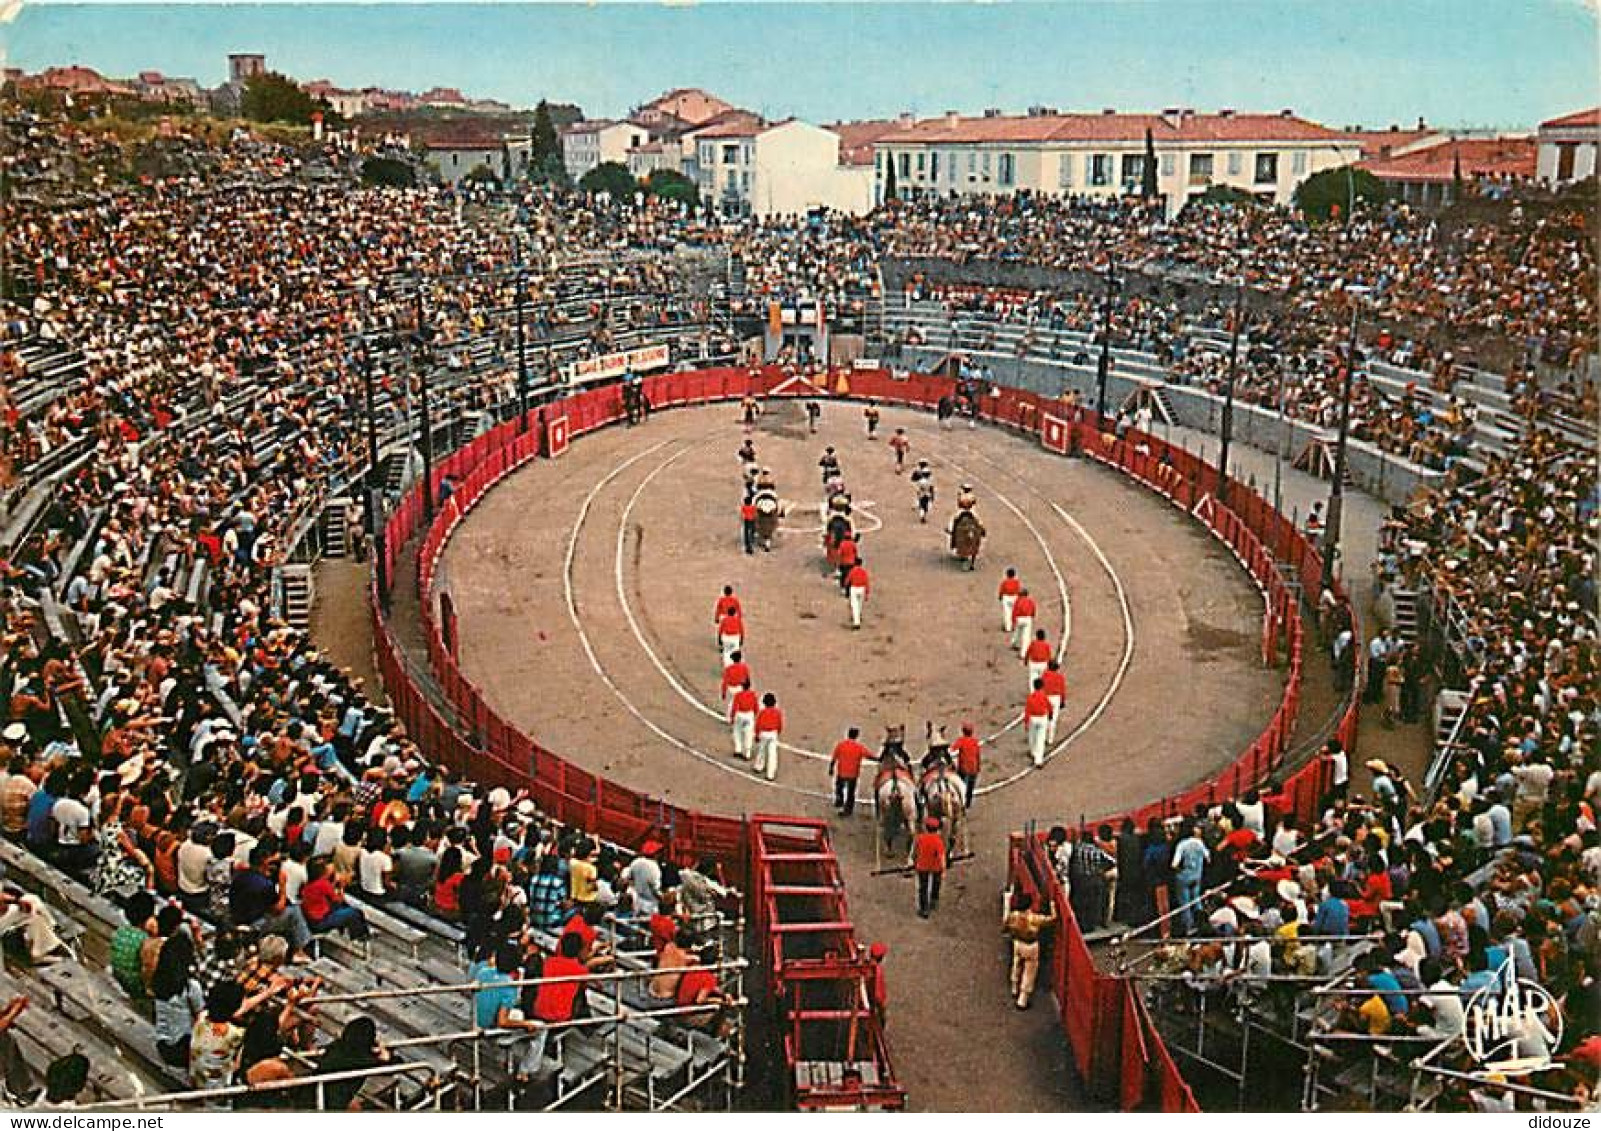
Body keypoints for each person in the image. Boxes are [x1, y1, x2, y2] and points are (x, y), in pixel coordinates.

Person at [1002, 889, 1057, 1009]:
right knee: (1029, 971)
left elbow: (1005, 924)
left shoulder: (1014, 916)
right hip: (1030, 946)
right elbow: (1053, 919)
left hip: (1018, 943)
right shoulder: (1033, 919)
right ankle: (1022, 1000)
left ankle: (1014, 987)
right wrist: (1053, 905)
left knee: (1016, 964)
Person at [911, 816, 947, 918]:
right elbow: (941, 856)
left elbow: (915, 852)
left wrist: (914, 862)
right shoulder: (938, 841)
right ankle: (934, 901)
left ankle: (924, 910)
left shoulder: (920, 838)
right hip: (935, 866)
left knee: (923, 888)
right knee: (936, 883)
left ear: (926, 828)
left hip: (922, 866)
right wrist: (943, 870)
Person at [829, 727, 870, 816]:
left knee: (839, 788)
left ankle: (839, 800)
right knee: (850, 793)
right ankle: (848, 810)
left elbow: (834, 757)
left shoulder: (841, 745)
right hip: (853, 774)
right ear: (857, 736)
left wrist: (831, 768)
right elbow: (869, 755)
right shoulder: (859, 747)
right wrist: (879, 759)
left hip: (842, 772)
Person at [754, 693, 784, 781]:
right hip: (773, 734)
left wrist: (756, 734)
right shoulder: (777, 712)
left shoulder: (762, 712)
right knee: (772, 753)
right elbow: (780, 724)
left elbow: (758, 724)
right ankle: (770, 774)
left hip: (764, 733)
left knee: (761, 750)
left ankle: (759, 767)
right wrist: (777, 732)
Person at [952, 722, 981, 807]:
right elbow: (977, 755)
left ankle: (962, 803)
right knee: (970, 788)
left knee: (962, 787)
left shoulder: (961, 740)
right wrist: (978, 767)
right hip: (973, 768)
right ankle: (968, 804)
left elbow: (953, 749)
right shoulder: (975, 742)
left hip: (963, 768)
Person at [1025, 679, 1052, 768]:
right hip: (1042, 718)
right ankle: (1038, 760)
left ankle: (1033, 752)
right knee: (1040, 738)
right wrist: (1050, 715)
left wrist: (1026, 722)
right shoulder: (1044, 696)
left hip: (1033, 718)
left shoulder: (1031, 697)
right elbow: (1049, 707)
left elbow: (1027, 711)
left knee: (1032, 736)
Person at [728, 680, 758, 761]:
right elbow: (756, 706)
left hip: (740, 714)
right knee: (748, 733)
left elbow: (734, 707)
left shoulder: (738, 695)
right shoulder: (753, 695)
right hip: (749, 715)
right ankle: (747, 753)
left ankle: (738, 749)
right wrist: (755, 714)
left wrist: (732, 717)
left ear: (742, 686)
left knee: (737, 732)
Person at [1041, 660, 1068, 743]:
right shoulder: (1060, 677)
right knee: (1053, 719)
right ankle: (1050, 739)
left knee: (1044, 717)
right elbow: (1062, 690)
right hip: (1056, 698)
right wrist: (1063, 701)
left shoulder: (1044, 676)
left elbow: (1041, 688)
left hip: (1046, 697)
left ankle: (1042, 736)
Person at [1009, 588, 1036, 654]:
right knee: (1026, 636)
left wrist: (1013, 621)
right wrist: (1032, 616)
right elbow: (1033, 609)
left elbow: (1014, 611)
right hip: (1027, 618)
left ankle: (1014, 644)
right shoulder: (1030, 601)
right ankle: (1023, 653)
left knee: (1017, 631)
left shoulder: (1018, 601)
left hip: (1019, 618)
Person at [845, 557, 870, 629]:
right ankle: (858, 617)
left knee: (854, 605)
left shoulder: (852, 571)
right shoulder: (863, 572)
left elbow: (847, 580)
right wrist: (867, 593)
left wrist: (846, 587)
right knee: (859, 604)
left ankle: (856, 622)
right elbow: (866, 582)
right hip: (862, 588)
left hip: (854, 588)